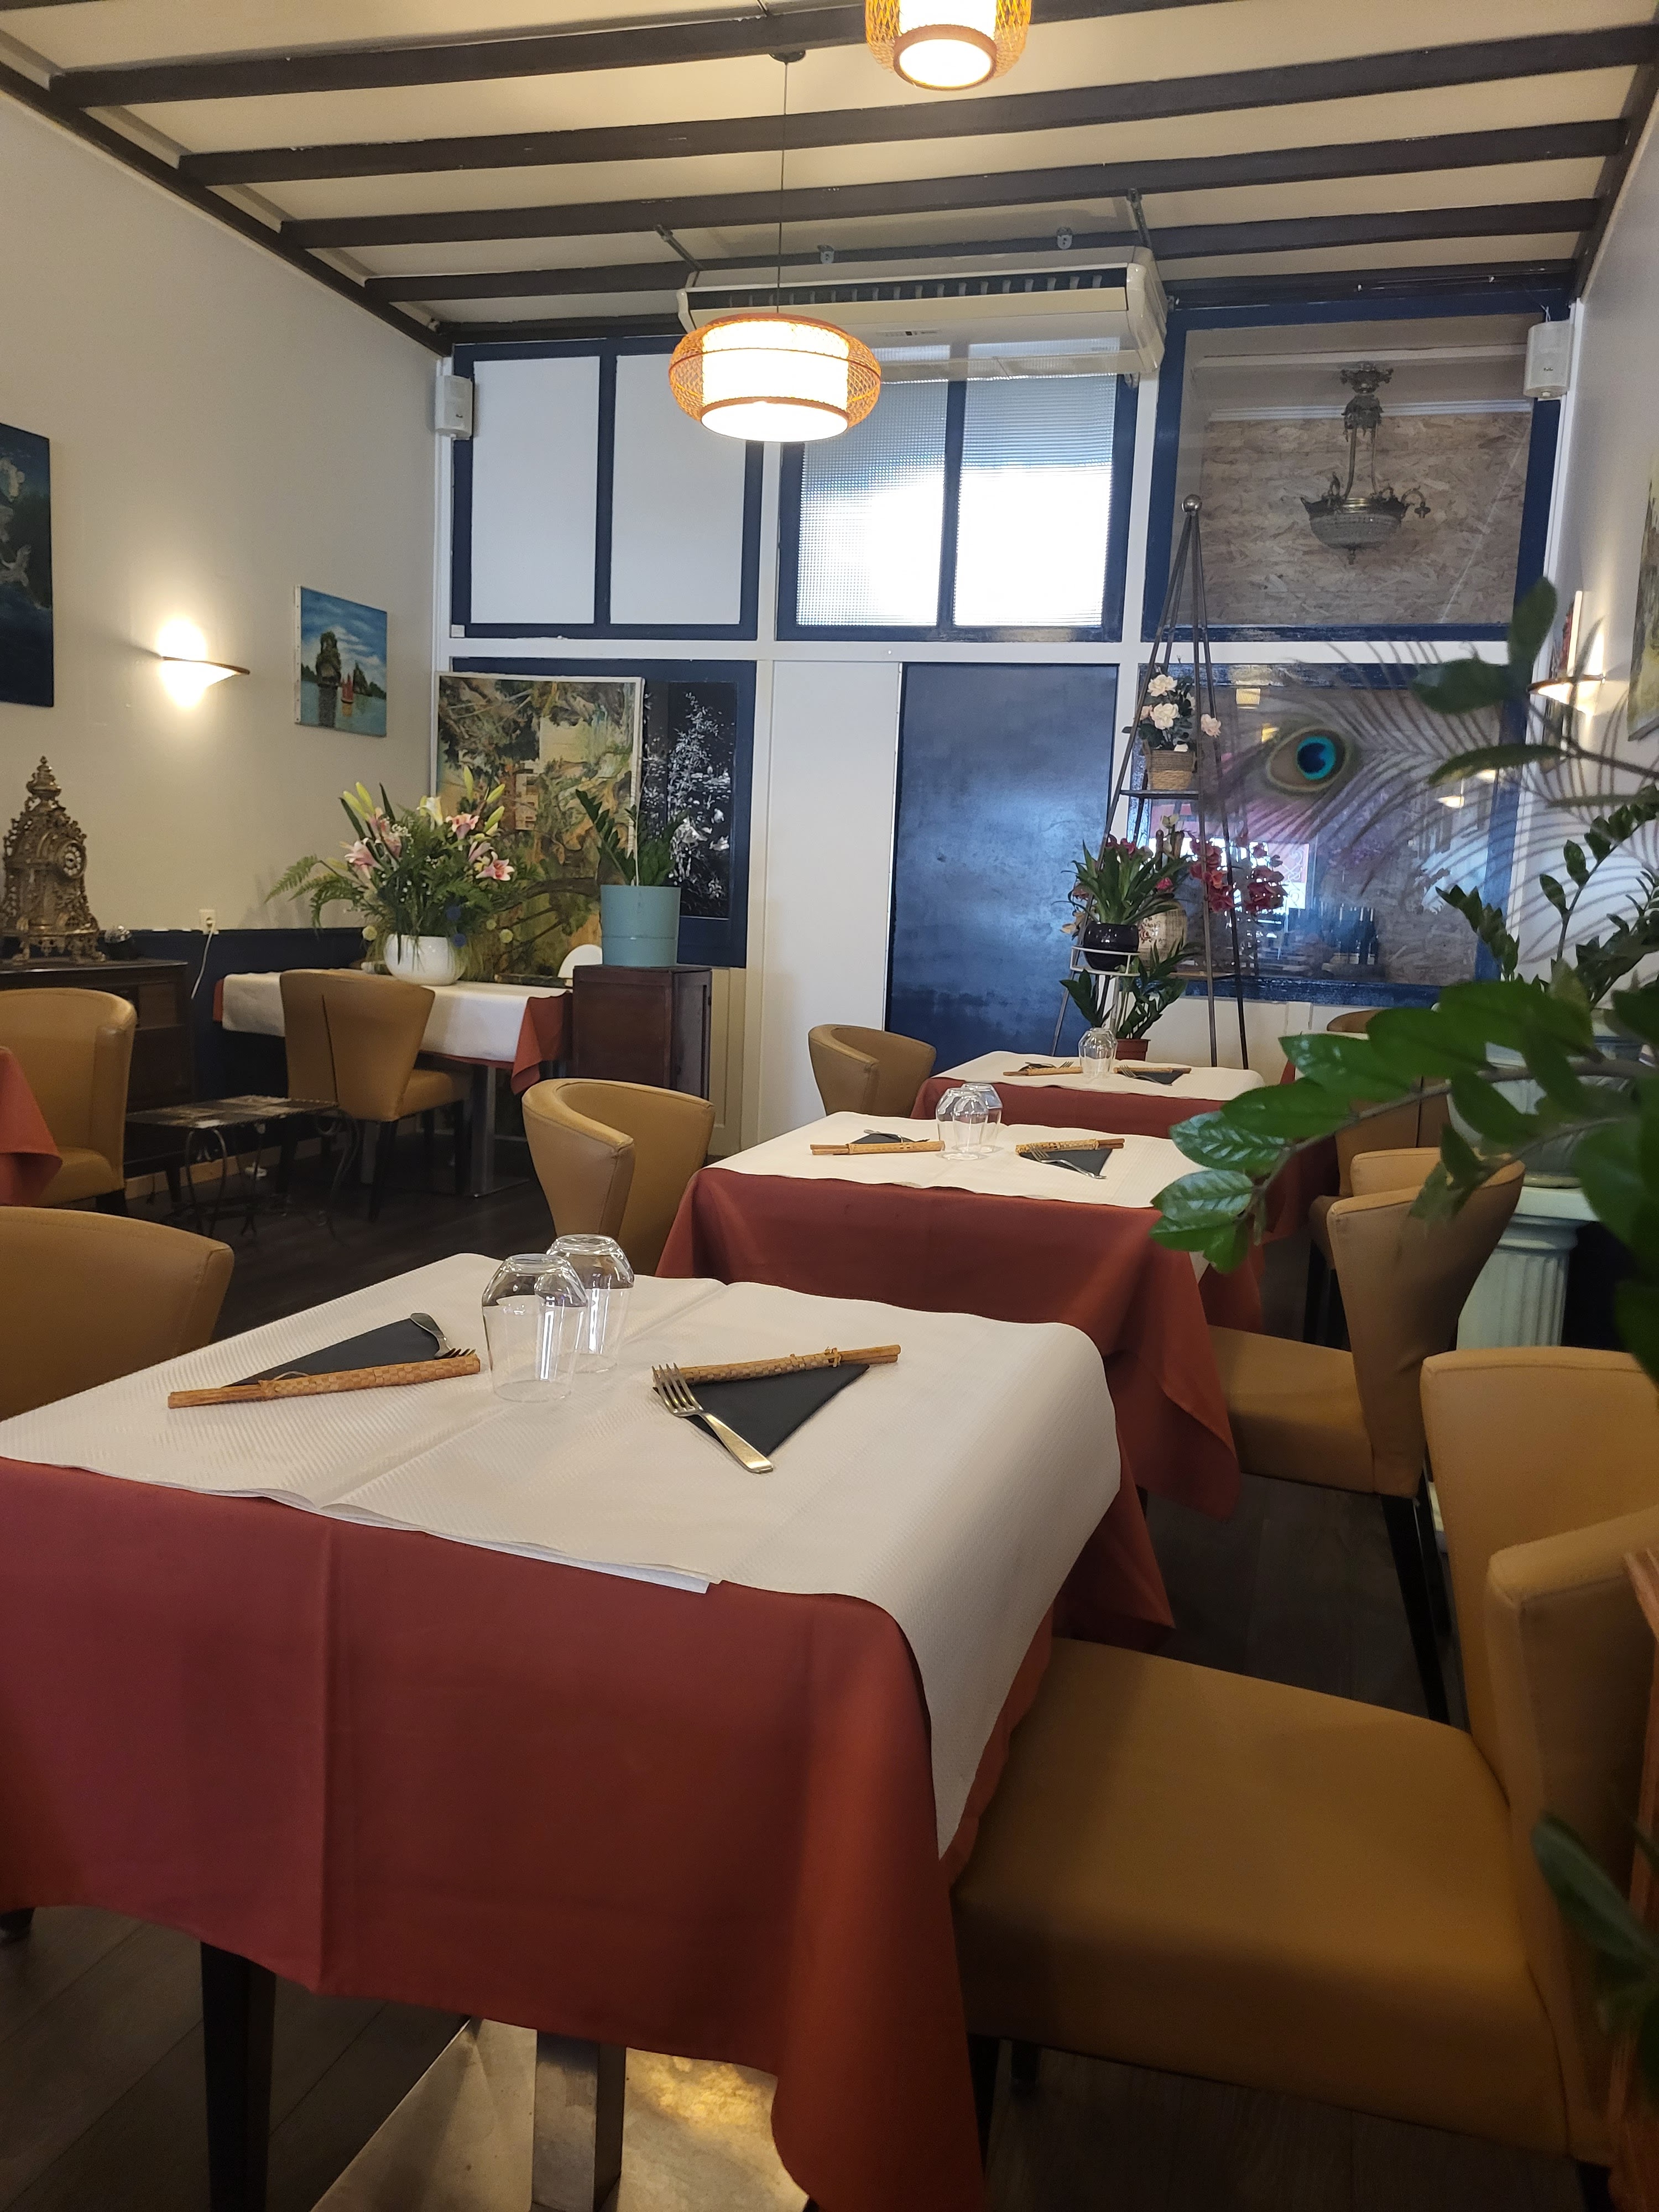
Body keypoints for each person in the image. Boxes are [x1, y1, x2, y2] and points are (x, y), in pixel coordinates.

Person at [314, 628, 341, 727]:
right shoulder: (321, 658)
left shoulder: (334, 657)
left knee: (330, 714)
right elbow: (318, 669)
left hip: (332, 688)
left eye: (329, 645)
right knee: (323, 713)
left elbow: (337, 670)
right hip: (324, 687)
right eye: (326, 645)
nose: (327, 647)